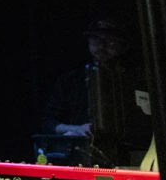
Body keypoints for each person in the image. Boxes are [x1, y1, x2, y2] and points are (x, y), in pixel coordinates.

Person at [41, 18, 150, 165]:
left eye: (110, 42)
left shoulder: (139, 81)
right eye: (96, 41)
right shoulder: (70, 80)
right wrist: (78, 129)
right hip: (84, 158)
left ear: (122, 46)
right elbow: (49, 123)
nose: (101, 47)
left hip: (132, 157)